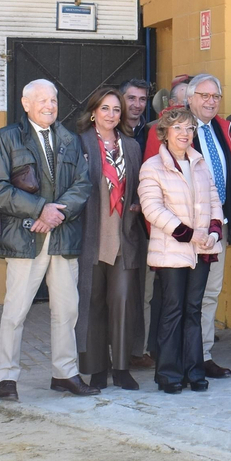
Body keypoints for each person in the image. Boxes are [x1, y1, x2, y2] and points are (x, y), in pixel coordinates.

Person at [0, 79, 96, 401]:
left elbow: (82, 184)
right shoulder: (8, 137)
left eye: (53, 101)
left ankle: (65, 373)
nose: (49, 106)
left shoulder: (69, 139)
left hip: (62, 237)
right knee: (15, 311)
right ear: (26, 104)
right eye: (42, 100)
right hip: (25, 238)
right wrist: (39, 209)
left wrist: (56, 214)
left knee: (67, 310)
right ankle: (6, 377)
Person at [144, 74, 231, 378]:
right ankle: (173, 364)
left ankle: (201, 356)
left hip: (213, 233)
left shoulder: (223, 129)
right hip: (176, 238)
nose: (211, 102)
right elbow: (152, 197)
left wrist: (215, 228)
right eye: (204, 95)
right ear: (189, 98)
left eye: (216, 97)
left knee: (206, 297)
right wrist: (182, 233)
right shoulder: (167, 132)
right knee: (175, 304)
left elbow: (217, 189)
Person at [138, 108, 223, 393]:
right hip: (171, 251)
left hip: (202, 249)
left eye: (189, 128)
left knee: (193, 310)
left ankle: (194, 372)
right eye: (178, 128)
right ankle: (168, 374)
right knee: (172, 311)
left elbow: (214, 200)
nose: (184, 134)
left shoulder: (200, 163)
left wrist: (213, 232)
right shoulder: (152, 166)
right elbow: (152, 209)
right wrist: (188, 234)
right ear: (165, 133)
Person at [75, 87, 148, 392]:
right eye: (105, 108)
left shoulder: (130, 146)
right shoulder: (79, 143)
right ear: (93, 112)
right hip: (91, 235)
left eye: (116, 109)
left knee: (123, 303)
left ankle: (121, 368)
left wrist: (139, 204)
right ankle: (96, 369)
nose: (111, 114)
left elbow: (141, 186)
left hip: (124, 236)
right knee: (92, 304)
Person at [120, 79, 152, 143]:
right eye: (131, 98)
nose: (137, 105)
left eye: (142, 99)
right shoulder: (111, 131)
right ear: (120, 99)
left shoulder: (150, 133)